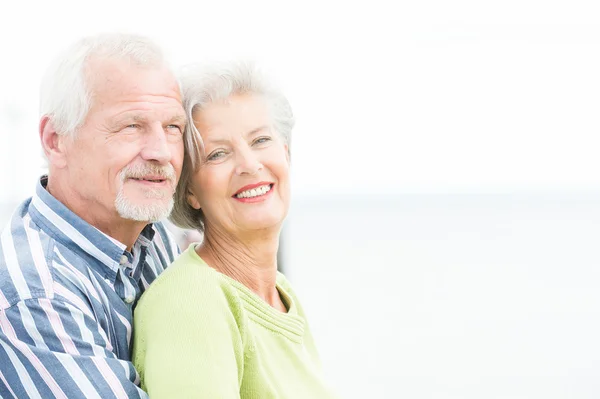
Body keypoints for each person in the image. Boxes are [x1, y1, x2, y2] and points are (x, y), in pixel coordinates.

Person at [132, 61, 336, 398]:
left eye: (260, 140)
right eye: (218, 154)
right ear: (190, 190)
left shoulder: (281, 294)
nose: (249, 165)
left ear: (285, 154)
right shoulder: (190, 303)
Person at [0, 33, 186, 398]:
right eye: (131, 126)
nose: (161, 152)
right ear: (56, 140)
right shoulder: (37, 295)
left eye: (172, 127)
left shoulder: (150, 234)